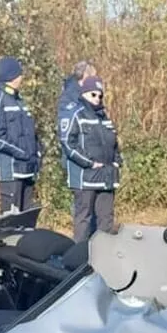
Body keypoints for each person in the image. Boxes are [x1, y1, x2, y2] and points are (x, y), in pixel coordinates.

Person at [61, 75, 122, 243]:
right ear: (84, 94)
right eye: (93, 94)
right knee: (83, 220)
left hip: (106, 176)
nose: (97, 99)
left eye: (100, 95)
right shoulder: (76, 114)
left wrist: (117, 161)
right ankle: (79, 259)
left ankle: (105, 256)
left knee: (106, 219)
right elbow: (68, 143)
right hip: (85, 177)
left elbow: (114, 143)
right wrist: (89, 163)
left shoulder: (104, 117)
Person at [0, 56, 42, 214]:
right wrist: (21, 152)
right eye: (19, 74)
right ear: (12, 76)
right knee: (10, 221)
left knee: (26, 220)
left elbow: (31, 133)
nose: (22, 77)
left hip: (28, 169)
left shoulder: (20, 100)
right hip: (11, 171)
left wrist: (37, 153)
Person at [56, 60, 95, 230]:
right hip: (78, 160)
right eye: (92, 77)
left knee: (93, 208)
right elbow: (69, 136)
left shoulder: (88, 94)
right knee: (83, 209)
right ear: (84, 76)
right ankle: (81, 247)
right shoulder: (70, 98)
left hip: (94, 158)